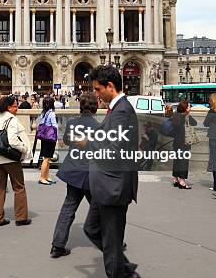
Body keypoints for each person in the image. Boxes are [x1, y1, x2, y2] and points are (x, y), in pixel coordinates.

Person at [83, 65, 140, 278]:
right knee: (92, 229)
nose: (96, 94)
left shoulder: (123, 111)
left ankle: (120, 271)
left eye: (98, 89)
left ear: (110, 86)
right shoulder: (117, 110)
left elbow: (115, 149)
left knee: (111, 239)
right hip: (105, 186)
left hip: (114, 187)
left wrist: (88, 142)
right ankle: (122, 268)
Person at [50, 93, 99, 258]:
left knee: (68, 208)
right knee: (102, 210)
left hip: (74, 171)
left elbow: (68, 141)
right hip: (91, 173)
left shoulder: (72, 124)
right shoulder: (99, 127)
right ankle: (113, 243)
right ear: (95, 107)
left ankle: (57, 245)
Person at [0, 95, 31, 227]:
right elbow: (13, 141)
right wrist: (24, 149)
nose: (17, 108)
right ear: (8, 107)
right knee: (19, 187)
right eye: (15, 105)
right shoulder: (12, 120)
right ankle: (20, 217)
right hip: (10, 159)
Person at [170, 100, 197, 189]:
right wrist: (188, 114)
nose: (190, 108)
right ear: (185, 109)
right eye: (189, 107)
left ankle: (175, 179)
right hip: (184, 142)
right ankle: (182, 182)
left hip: (176, 142)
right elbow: (195, 123)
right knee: (184, 162)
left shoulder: (175, 116)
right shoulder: (185, 117)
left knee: (177, 160)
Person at [36, 96, 58, 185]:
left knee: (46, 158)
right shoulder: (52, 113)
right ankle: (42, 177)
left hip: (44, 137)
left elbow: (40, 123)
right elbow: (54, 125)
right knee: (47, 158)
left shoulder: (43, 113)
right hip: (50, 137)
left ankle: (46, 176)